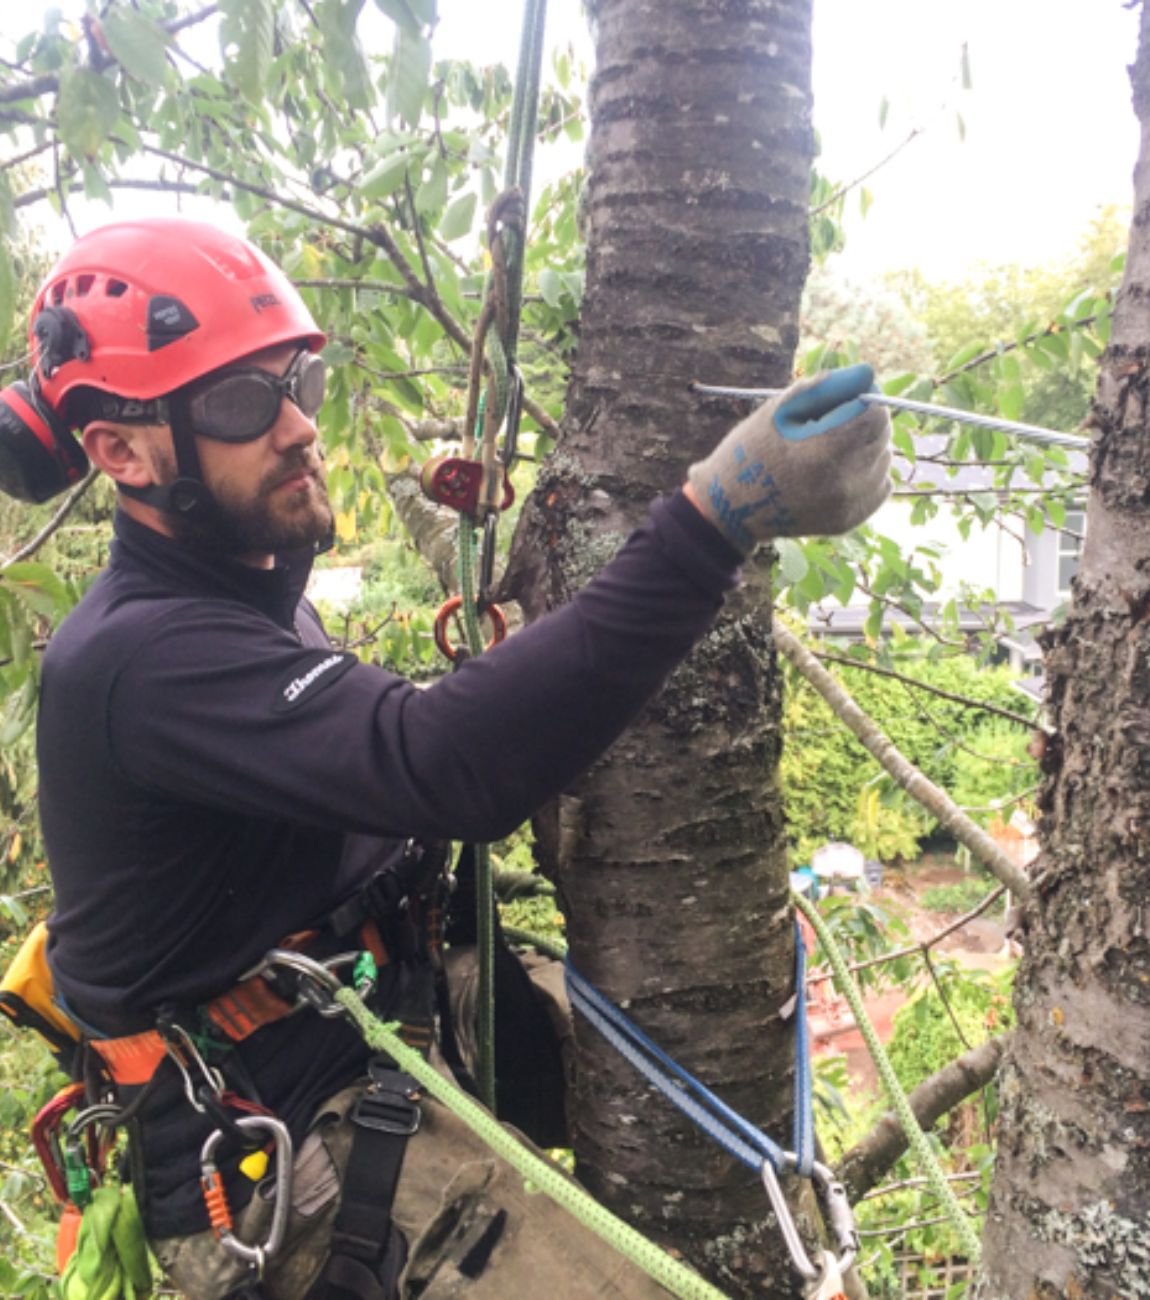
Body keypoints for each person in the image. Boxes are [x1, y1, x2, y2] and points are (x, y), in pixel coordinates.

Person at [0, 217, 891, 1299]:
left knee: (728, 1098)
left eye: (297, 382)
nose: (295, 427)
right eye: (240, 403)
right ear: (120, 452)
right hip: (285, 1138)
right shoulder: (137, 656)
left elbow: (394, 754)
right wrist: (712, 520)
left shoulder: (250, 595)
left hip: (383, 1013)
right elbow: (444, 764)